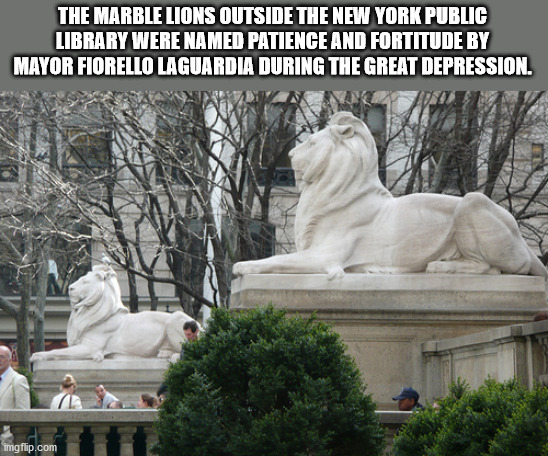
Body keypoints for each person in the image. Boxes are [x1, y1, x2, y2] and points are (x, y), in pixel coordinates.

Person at [0, 345, 30, 455]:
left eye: (2, 357)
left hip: (8, 442)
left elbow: (23, 413)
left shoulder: (18, 381)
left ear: (9, 359)